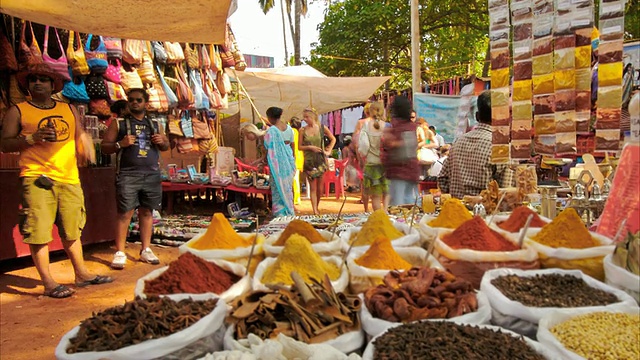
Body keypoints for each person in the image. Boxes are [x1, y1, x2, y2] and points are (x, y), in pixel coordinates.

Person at [1, 63, 113, 298]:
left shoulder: (68, 108)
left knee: (72, 229)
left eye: (43, 79)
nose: (38, 83)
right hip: (36, 177)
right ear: (27, 85)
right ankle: (49, 282)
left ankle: (81, 274)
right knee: (39, 231)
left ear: (53, 85)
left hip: (69, 177)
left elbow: (79, 133)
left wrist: (85, 146)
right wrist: (30, 138)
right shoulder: (18, 110)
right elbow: (5, 143)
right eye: (33, 80)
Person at [102, 88, 169, 270]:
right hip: (128, 174)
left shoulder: (155, 123)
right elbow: (104, 147)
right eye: (131, 100)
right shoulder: (119, 123)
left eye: (138, 100)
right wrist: (120, 144)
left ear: (145, 103)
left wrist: (161, 141)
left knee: (147, 212)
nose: (134, 103)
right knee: (125, 213)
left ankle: (146, 249)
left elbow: (165, 146)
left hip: (151, 173)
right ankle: (120, 252)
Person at [438, 90, 514, 199]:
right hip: (488, 214)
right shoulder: (501, 147)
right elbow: (505, 192)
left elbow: (442, 179)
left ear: (477, 116)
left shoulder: (458, 142)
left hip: (458, 211)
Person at [382, 95, 420, 206]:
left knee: (398, 206)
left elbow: (403, 147)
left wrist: (392, 143)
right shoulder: (411, 126)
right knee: (411, 202)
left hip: (399, 172)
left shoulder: (395, 126)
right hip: (412, 171)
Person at [299, 107, 336, 215]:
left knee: (320, 189)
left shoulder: (322, 128)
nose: (305, 119)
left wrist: (329, 149)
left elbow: (333, 138)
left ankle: (317, 206)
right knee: (313, 188)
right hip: (309, 161)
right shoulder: (302, 130)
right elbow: (299, 146)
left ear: (313, 117)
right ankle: (315, 210)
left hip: (320, 160)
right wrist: (310, 147)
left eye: (307, 117)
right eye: (304, 117)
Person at [264, 107, 296, 217]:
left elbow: (269, 149)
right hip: (289, 161)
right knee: (287, 188)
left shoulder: (272, 131)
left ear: (270, 117)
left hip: (277, 164)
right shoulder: (289, 129)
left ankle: (280, 213)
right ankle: (289, 209)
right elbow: (292, 146)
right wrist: (293, 162)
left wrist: (263, 161)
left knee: (278, 188)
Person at [358, 101, 389, 211]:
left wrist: (363, 155)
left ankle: (378, 216)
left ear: (370, 112)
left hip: (372, 165)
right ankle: (386, 215)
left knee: (375, 196)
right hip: (386, 165)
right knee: (386, 193)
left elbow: (364, 146)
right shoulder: (387, 126)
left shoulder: (366, 126)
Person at [353, 103, 372, 208]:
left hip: (363, 155)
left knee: (364, 183)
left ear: (365, 111)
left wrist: (358, 156)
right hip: (376, 155)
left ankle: (365, 208)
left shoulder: (360, 123)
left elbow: (356, 142)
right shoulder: (379, 123)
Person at [289, 117, 304, 205]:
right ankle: (296, 197)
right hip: (299, 157)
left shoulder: (293, 132)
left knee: (295, 179)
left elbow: (293, 145)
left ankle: (296, 198)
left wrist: (293, 157)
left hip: (295, 157)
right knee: (296, 178)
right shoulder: (298, 132)